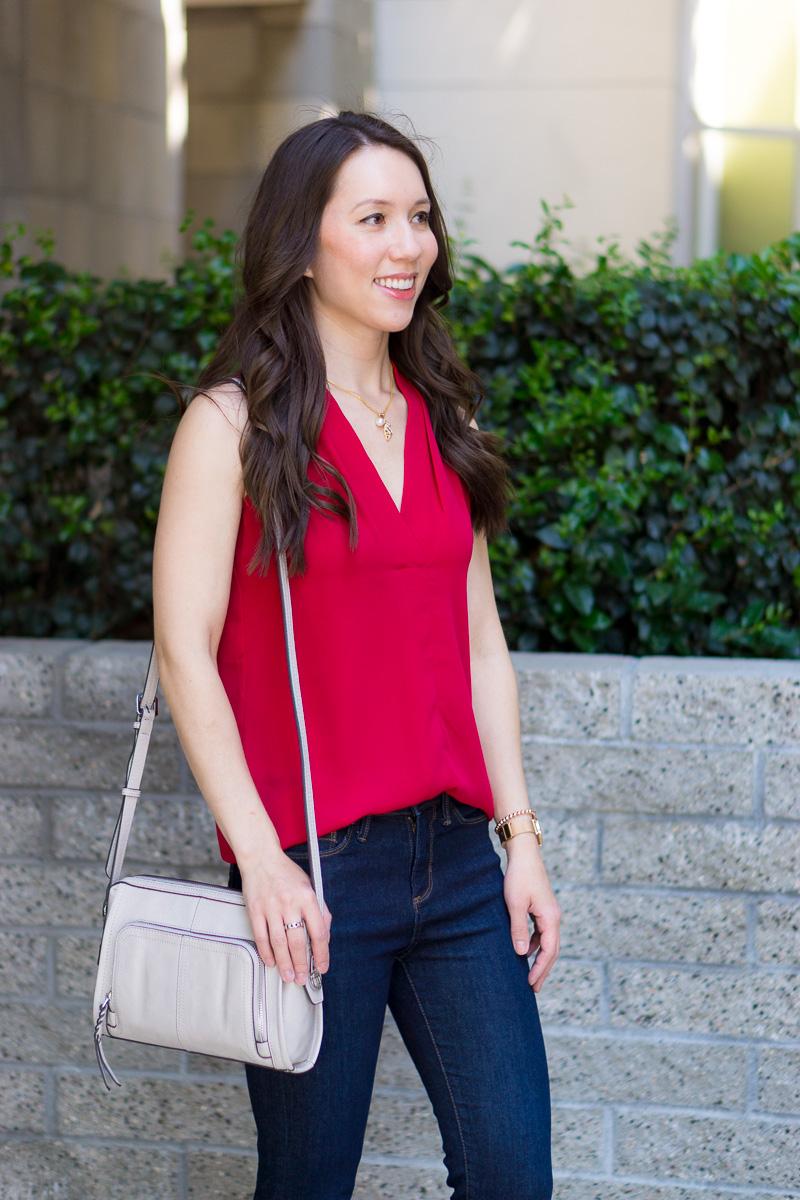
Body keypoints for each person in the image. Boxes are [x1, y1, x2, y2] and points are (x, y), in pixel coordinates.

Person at [153, 110, 560, 1200]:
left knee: (513, 1174)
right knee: (307, 1183)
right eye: (371, 218)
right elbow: (183, 652)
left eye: (417, 217)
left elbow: (481, 645)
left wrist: (518, 838)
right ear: (300, 242)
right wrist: (262, 857)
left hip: (460, 870)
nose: (405, 245)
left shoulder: (437, 415)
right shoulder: (232, 426)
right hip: (315, 874)